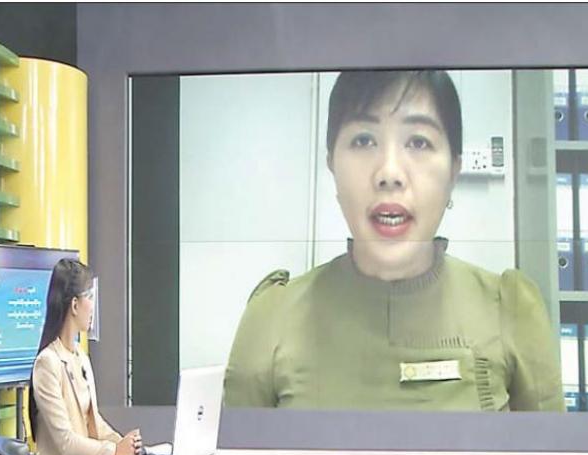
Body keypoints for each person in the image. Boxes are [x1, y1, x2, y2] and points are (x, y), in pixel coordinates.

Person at [224, 70, 564, 412]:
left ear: (453, 170)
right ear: (331, 164)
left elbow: (551, 446)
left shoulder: (510, 310)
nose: (389, 173)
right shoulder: (272, 318)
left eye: (418, 142)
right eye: (363, 141)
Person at [28, 259, 142, 455]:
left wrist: (125, 445)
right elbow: (66, 442)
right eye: (90, 297)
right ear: (75, 305)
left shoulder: (81, 356)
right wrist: (114, 452)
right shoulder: (47, 363)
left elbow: (94, 422)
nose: (93, 306)